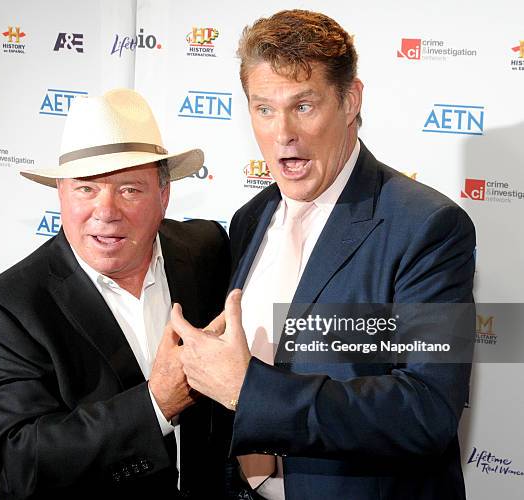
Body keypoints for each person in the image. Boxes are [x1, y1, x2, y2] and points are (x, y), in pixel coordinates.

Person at [172, 9, 476, 500]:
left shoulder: (428, 227)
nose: (282, 133)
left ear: (350, 100)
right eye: (264, 109)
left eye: (304, 105)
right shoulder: (250, 218)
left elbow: (427, 410)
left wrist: (250, 391)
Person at [0, 88, 230, 499]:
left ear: (164, 196)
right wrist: (155, 403)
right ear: (60, 195)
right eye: (86, 188)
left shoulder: (208, 248)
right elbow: (21, 465)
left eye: (129, 189)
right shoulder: (7, 311)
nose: (106, 211)